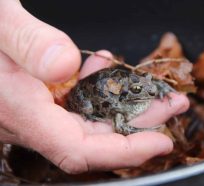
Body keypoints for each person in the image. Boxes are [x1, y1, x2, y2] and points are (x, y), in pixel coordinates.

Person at [0, 0, 189, 174]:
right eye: (140, 90)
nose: (152, 91)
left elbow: (148, 83)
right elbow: (122, 128)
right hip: (92, 94)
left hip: (110, 82)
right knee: (88, 106)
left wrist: (162, 87)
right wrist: (145, 129)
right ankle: (88, 112)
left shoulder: (140, 85)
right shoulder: (120, 110)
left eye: (148, 83)